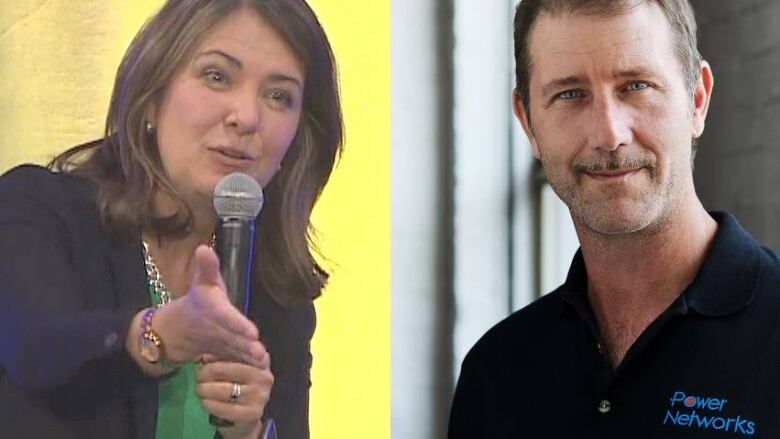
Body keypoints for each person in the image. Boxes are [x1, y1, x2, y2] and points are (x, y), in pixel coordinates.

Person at [0, 0, 342, 438]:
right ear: (150, 99)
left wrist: (250, 432)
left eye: (279, 96)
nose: (247, 117)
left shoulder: (277, 295)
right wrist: (157, 337)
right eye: (217, 76)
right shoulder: (39, 210)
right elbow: (38, 350)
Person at [449, 0, 780, 437]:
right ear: (528, 123)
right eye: (570, 94)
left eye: (636, 85)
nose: (609, 134)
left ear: (696, 100)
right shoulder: (495, 371)